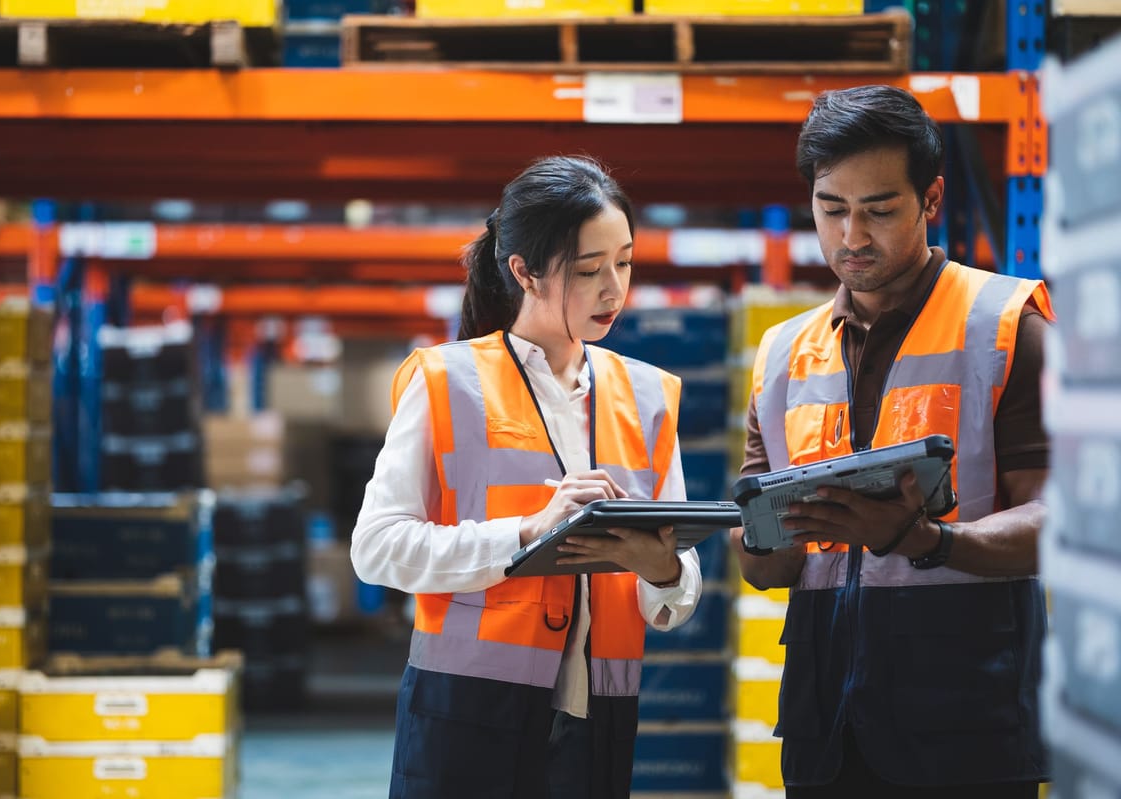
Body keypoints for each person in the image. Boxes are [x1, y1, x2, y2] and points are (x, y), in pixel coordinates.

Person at [730, 85, 1054, 798]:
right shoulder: (783, 353)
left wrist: (925, 538)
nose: (851, 237)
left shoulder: (1005, 324)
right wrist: (754, 539)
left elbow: (1060, 520)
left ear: (931, 200)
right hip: (825, 734)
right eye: (831, 209)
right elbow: (767, 567)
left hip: (969, 727)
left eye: (878, 210)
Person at [351, 155, 703, 799]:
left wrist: (663, 571)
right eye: (589, 270)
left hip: (599, 717)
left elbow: (675, 587)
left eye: (624, 262)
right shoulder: (445, 382)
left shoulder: (649, 396)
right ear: (524, 272)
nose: (613, 290)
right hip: (465, 708)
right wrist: (525, 534)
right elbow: (375, 548)